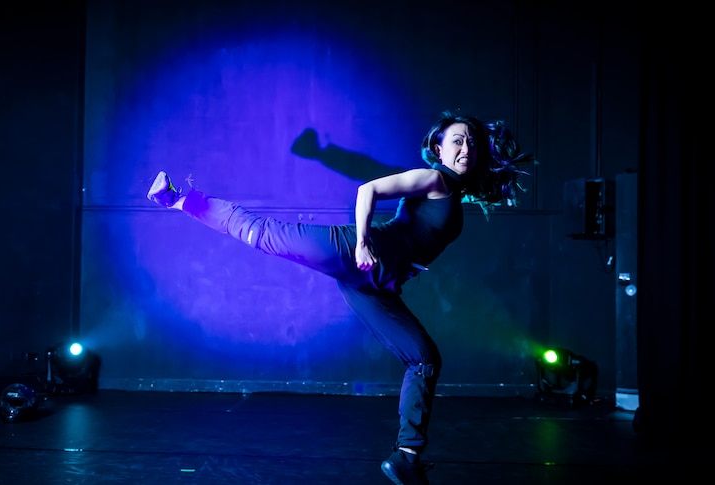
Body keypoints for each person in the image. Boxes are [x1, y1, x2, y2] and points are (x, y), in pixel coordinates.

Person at [146, 110, 534, 485]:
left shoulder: (454, 191)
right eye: (456, 140)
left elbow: (420, 234)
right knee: (264, 234)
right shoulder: (435, 180)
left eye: (471, 141)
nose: (465, 147)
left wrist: (407, 263)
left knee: (424, 359)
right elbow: (369, 188)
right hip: (353, 250)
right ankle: (180, 199)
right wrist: (364, 242)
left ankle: (407, 457)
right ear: (438, 147)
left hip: (374, 284)